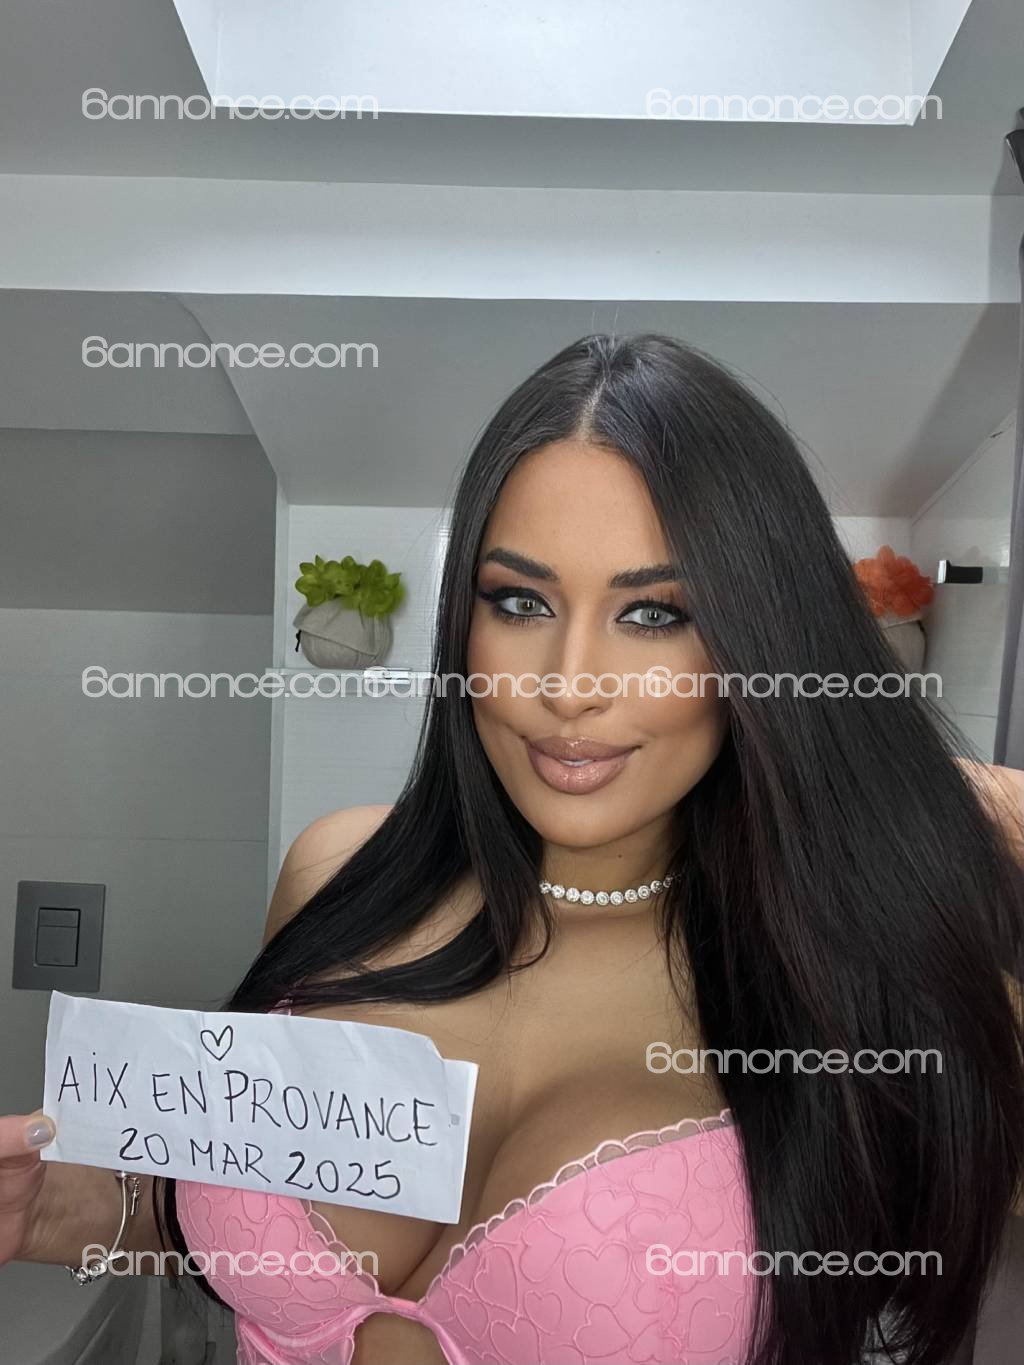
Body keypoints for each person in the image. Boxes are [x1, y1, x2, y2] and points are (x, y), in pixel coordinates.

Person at [4, 333, 1024, 1365]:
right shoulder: (337, 874)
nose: (568, 684)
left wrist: (905, 795)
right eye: (521, 601)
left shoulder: (843, 963)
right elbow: (218, 1232)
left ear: (758, 643)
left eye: (654, 613)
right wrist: (42, 1211)